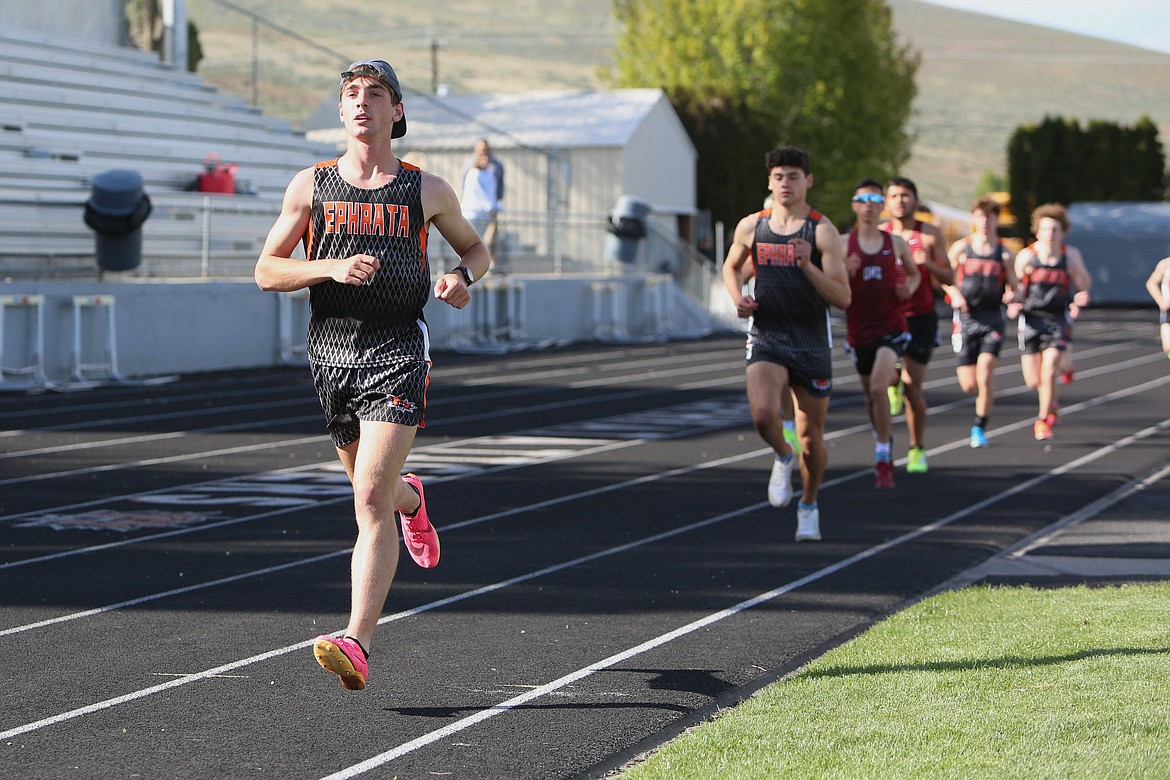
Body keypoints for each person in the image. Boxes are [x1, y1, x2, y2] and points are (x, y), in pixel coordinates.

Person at [254, 59, 492, 690]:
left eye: (376, 94)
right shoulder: (311, 186)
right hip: (330, 353)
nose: (362, 102)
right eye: (351, 94)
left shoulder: (427, 189)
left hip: (397, 349)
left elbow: (476, 249)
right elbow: (266, 270)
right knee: (376, 492)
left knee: (366, 501)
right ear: (340, 110)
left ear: (397, 112)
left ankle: (356, 640)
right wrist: (327, 269)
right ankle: (413, 499)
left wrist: (459, 278)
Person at [722, 145, 851, 542]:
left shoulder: (822, 230)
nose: (785, 183)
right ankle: (782, 454)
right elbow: (731, 266)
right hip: (768, 335)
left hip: (810, 342)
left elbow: (843, 297)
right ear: (769, 182)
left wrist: (808, 265)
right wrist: (737, 298)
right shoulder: (752, 226)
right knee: (763, 416)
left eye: (793, 176)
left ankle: (809, 504)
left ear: (807, 181)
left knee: (812, 439)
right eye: (778, 177)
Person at [842, 180, 919, 489]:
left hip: (890, 326)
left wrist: (907, 290)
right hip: (858, 330)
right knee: (869, 396)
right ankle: (882, 436)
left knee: (877, 389)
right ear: (855, 205)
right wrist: (844, 272)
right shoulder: (841, 242)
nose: (870, 205)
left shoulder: (895, 242)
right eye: (864, 200)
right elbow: (826, 282)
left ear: (881, 205)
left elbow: (914, 275)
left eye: (875, 199)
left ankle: (884, 456)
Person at [881, 177, 954, 473]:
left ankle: (916, 448)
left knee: (914, 391)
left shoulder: (930, 234)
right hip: (886, 316)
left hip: (920, 317)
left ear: (915, 199)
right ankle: (892, 381)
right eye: (895, 196)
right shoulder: (879, 235)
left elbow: (950, 277)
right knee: (882, 374)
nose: (900, 201)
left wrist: (929, 265)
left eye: (906, 195)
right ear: (887, 202)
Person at [1008, 203, 1091, 441]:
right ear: (1037, 232)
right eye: (1046, 229)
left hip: (1057, 319)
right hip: (1031, 319)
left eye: (1055, 230)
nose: (1050, 235)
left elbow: (1083, 284)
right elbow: (1016, 288)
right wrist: (1014, 300)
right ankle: (1052, 400)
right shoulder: (1027, 256)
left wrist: (1079, 299)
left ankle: (1042, 421)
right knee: (1034, 381)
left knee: (1049, 371)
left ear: (1062, 233)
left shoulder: (1070, 256)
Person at [943, 197, 1020, 448]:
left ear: (996, 219)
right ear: (974, 219)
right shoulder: (961, 249)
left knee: (985, 371)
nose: (985, 221)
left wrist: (1012, 296)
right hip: (965, 320)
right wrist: (953, 293)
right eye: (980, 216)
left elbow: (1016, 287)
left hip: (991, 320)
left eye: (990, 216)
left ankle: (979, 426)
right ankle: (979, 405)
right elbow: (944, 276)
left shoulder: (1005, 253)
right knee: (969, 385)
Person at [459, 138, 505, 259]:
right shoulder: (473, 172)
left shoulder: (493, 169)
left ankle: (488, 263)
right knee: (472, 243)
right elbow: (473, 191)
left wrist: (493, 204)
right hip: (474, 213)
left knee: (488, 242)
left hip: (488, 213)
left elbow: (495, 189)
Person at [1145, 255, 1170, 359]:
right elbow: (1151, 283)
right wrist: (1161, 302)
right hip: (1168, 311)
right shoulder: (1165, 264)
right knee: (1168, 346)